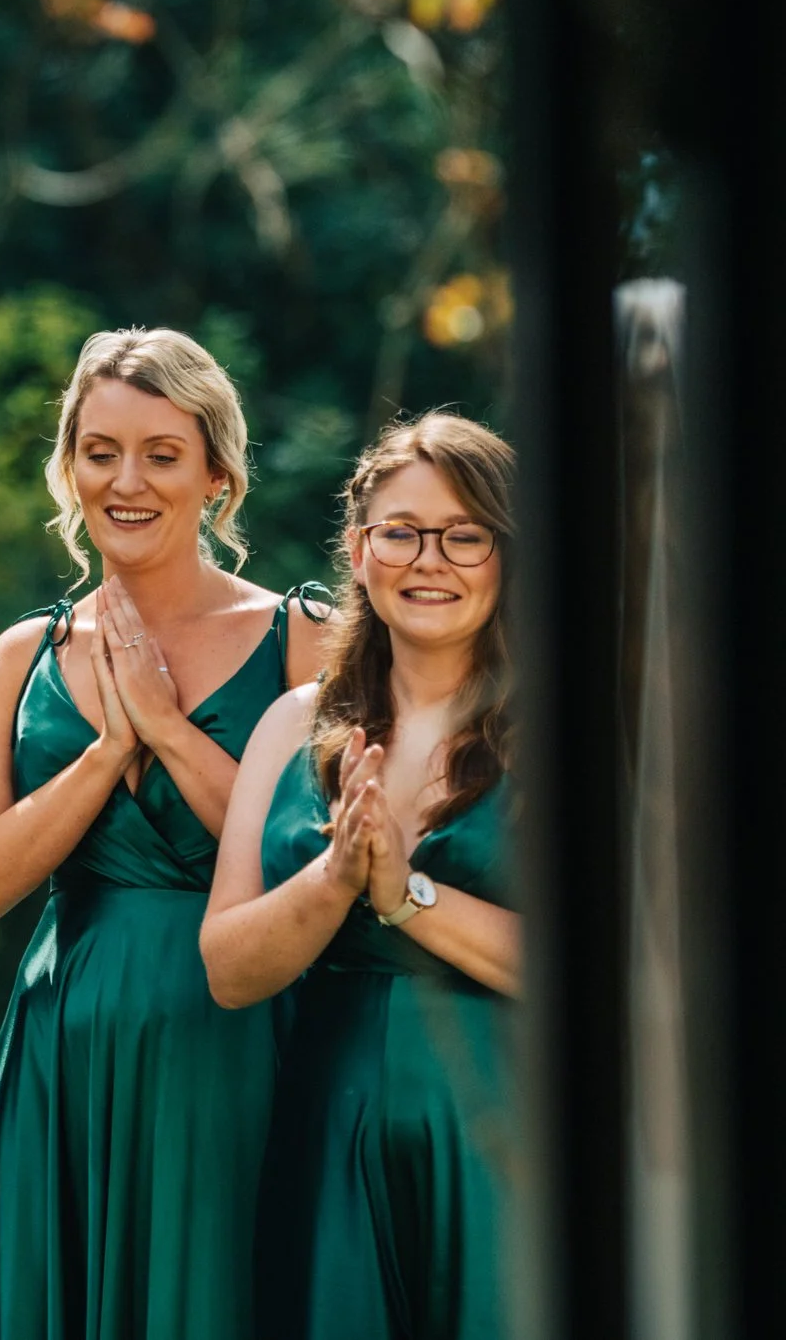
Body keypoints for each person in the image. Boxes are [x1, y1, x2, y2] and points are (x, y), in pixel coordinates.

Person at [0, 327, 321, 1340]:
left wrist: (163, 725)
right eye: (99, 450)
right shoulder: (21, 654)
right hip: (63, 1057)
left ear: (217, 476)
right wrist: (107, 751)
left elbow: (310, 862)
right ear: (67, 465)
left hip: (239, 1049)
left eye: (161, 453)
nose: (127, 479)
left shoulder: (303, 639)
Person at [201, 413, 520, 1340]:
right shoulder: (293, 725)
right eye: (402, 531)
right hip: (326, 1132)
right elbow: (228, 967)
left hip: (507, 1138)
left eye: (466, 535)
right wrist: (335, 876)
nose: (432, 559)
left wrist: (405, 896)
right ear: (358, 546)